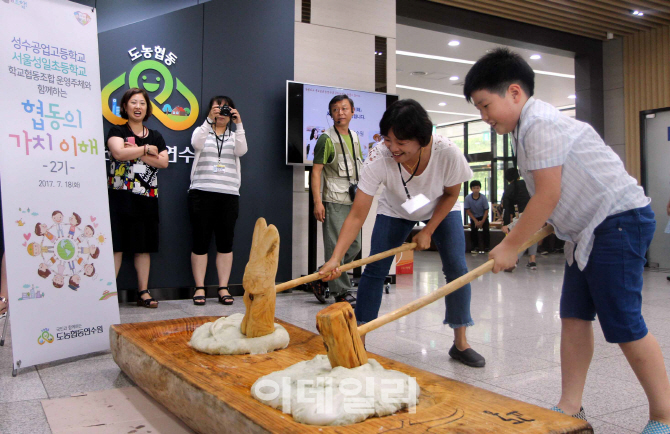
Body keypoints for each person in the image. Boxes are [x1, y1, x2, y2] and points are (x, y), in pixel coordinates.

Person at [465, 47, 670, 431]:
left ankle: (664, 416)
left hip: (618, 221)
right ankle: (570, 406)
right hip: (588, 230)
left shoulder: (539, 122)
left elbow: (547, 194)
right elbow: (556, 197)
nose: (484, 116)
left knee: (625, 323)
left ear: (514, 92)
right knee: (574, 317)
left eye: (485, 105)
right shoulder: (523, 128)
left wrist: (511, 245)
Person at [320, 99, 485, 368]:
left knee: (457, 268)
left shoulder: (447, 152)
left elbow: (453, 193)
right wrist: (336, 258)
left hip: (441, 206)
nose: (393, 148)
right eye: (388, 139)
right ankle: (358, 339)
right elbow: (358, 214)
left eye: (401, 143)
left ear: (423, 138)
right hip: (397, 209)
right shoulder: (378, 156)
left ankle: (461, 342)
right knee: (374, 268)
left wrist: (428, 230)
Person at [106, 88, 169, 308]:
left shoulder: (156, 136)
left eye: (142, 103)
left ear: (147, 108)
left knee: (143, 247)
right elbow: (119, 154)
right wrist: (147, 150)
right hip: (120, 197)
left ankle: (143, 291)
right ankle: (110, 294)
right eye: (133, 103)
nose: (138, 107)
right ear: (125, 107)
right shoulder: (116, 130)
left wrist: (137, 150)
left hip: (147, 197)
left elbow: (163, 162)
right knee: (117, 245)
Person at [188, 96, 246, 305]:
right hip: (201, 192)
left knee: (225, 243)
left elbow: (242, 150)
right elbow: (196, 143)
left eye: (225, 109)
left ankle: (223, 287)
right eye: (217, 108)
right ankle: (200, 287)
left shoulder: (234, 135)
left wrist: (238, 124)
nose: (221, 113)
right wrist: (207, 121)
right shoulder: (202, 130)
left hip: (228, 194)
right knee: (200, 242)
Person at [311, 95, 363, 306]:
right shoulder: (326, 139)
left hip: (354, 200)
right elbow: (316, 172)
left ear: (352, 111)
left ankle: (322, 275)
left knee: (354, 246)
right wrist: (317, 202)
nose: (340, 113)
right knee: (335, 249)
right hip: (334, 200)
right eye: (335, 109)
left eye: (344, 108)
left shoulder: (356, 137)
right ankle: (340, 292)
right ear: (331, 114)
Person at [501, 167, 537, 270]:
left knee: (522, 238)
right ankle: (532, 260)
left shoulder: (510, 188)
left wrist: (506, 224)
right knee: (533, 235)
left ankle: (514, 260)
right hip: (535, 212)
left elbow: (506, 207)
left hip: (522, 215)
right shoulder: (527, 183)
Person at [464, 180, 490, 253]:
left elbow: (486, 210)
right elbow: (467, 210)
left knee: (486, 230)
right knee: (473, 231)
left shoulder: (483, 198)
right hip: (474, 217)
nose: (476, 190)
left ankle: (487, 247)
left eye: (478, 188)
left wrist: (482, 221)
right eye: (474, 188)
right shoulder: (467, 198)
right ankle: (475, 247)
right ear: (471, 189)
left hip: (483, 217)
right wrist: (475, 221)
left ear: (480, 188)